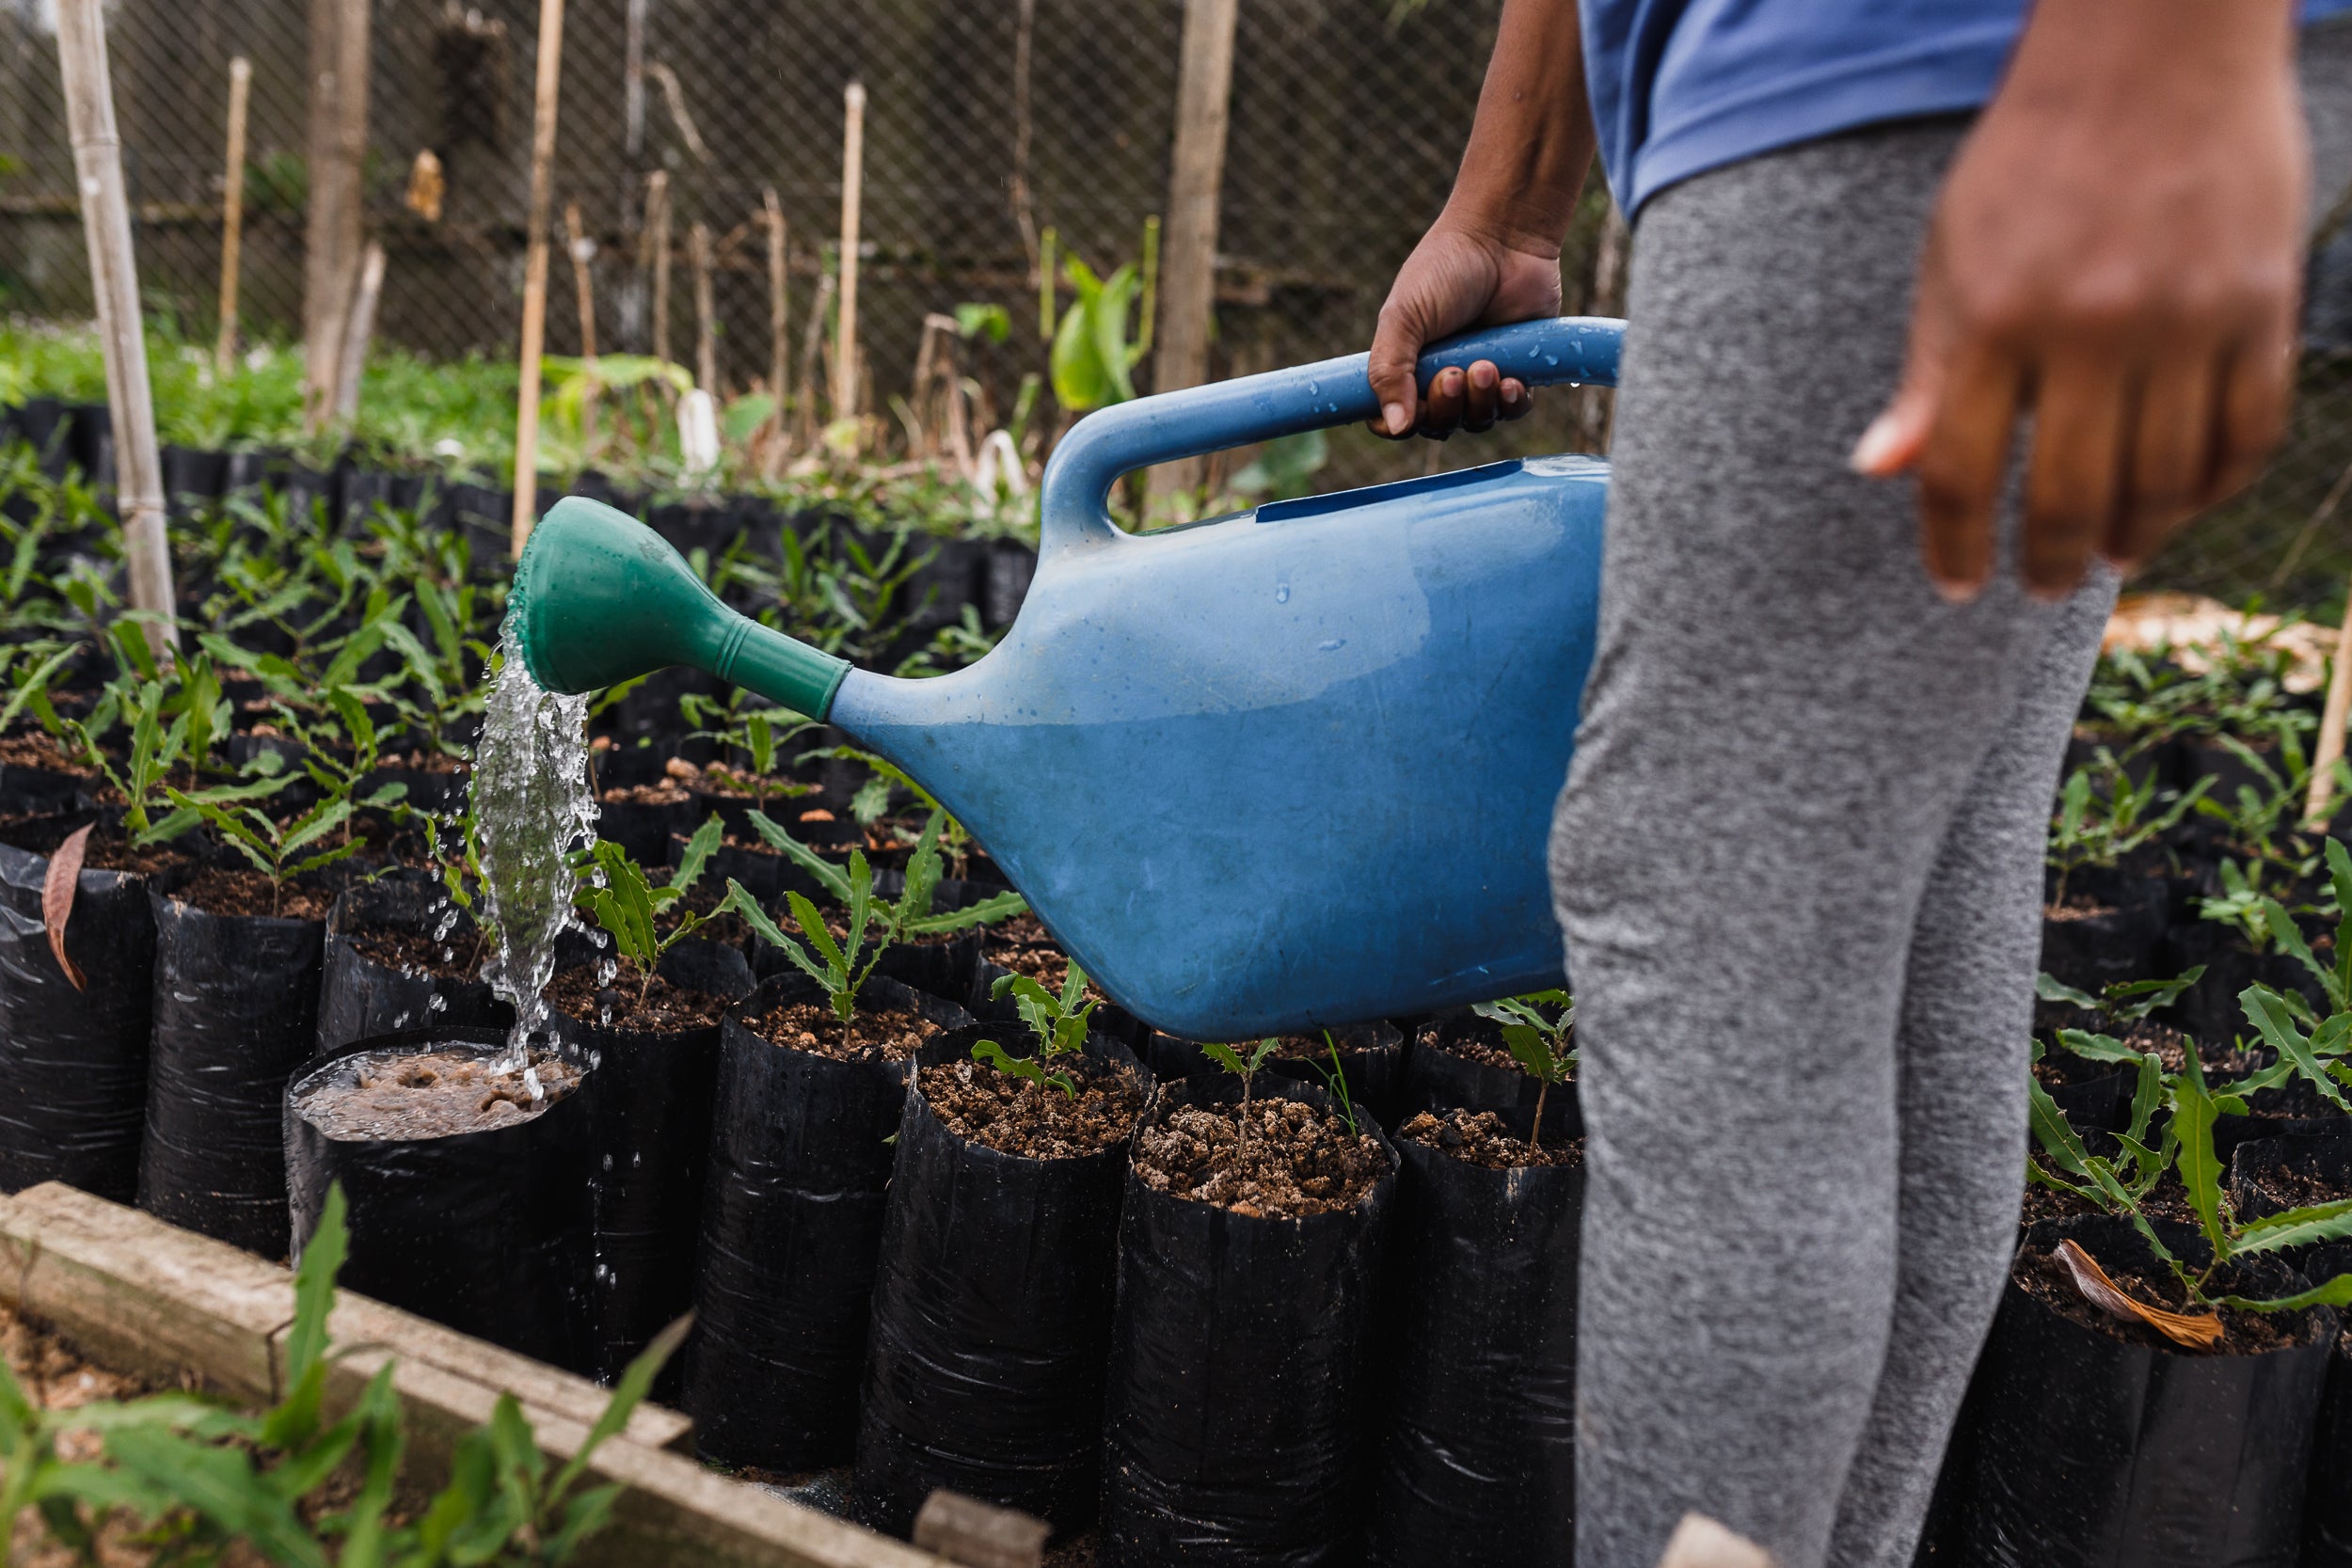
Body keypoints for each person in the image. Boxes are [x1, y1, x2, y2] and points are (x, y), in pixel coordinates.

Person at [1365, 3, 2352, 1565]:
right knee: (1900, 934)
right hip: (1940, 77)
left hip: (1930, 68)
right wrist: (1506, 205)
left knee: (1715, 914)